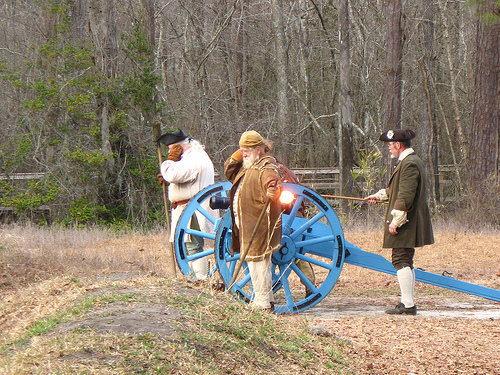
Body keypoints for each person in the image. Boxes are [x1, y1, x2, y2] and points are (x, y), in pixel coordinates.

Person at [366, 129, 434, 315]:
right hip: (409, 220)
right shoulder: (408, 162)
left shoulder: (409, 163)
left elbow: (405, 195)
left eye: (390, 144)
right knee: (405, 260)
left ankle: (409, 305)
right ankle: (408, 303)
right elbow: (395, 190)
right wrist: (378, 196)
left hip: (407, 221)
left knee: (400, 259)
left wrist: (397, 220)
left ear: (398, 144)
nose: (389, 147)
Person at [224, 130, 283, 311]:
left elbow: (272, 182)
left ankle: (263, 303)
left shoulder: (266, 165)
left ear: (259, 149)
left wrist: (273, 189)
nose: (243, 155)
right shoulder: (248, 165)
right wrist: (242, 150)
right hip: (247, 222)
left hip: (259, 221)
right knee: (255, 261)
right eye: (242, 151)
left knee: (257, 260)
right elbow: (229, 171)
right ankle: (267, 299)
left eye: (247, 151)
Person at [157, 129, 217, 280]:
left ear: (178, 147)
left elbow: (172, 174)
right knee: (186, 247)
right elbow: (176, 177)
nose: (170, 152)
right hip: (186, 209)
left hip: (193, 210)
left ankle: (200, 280)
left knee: (193, 247)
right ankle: (192, 279)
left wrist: (170, 163)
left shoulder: (194, 158)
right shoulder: (192, 157)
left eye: (171, 149)